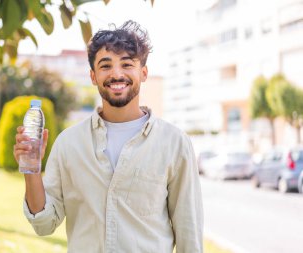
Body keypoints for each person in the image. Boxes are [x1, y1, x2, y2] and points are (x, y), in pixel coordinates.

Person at [14, 20, 203, 253]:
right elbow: (44, 225)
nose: (116, 74)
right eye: (105, 66)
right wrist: (31, 169)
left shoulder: (174, 143)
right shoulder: (68, 143)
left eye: (127, 64)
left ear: (143, 73)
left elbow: (189, 232)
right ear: (93, 76)